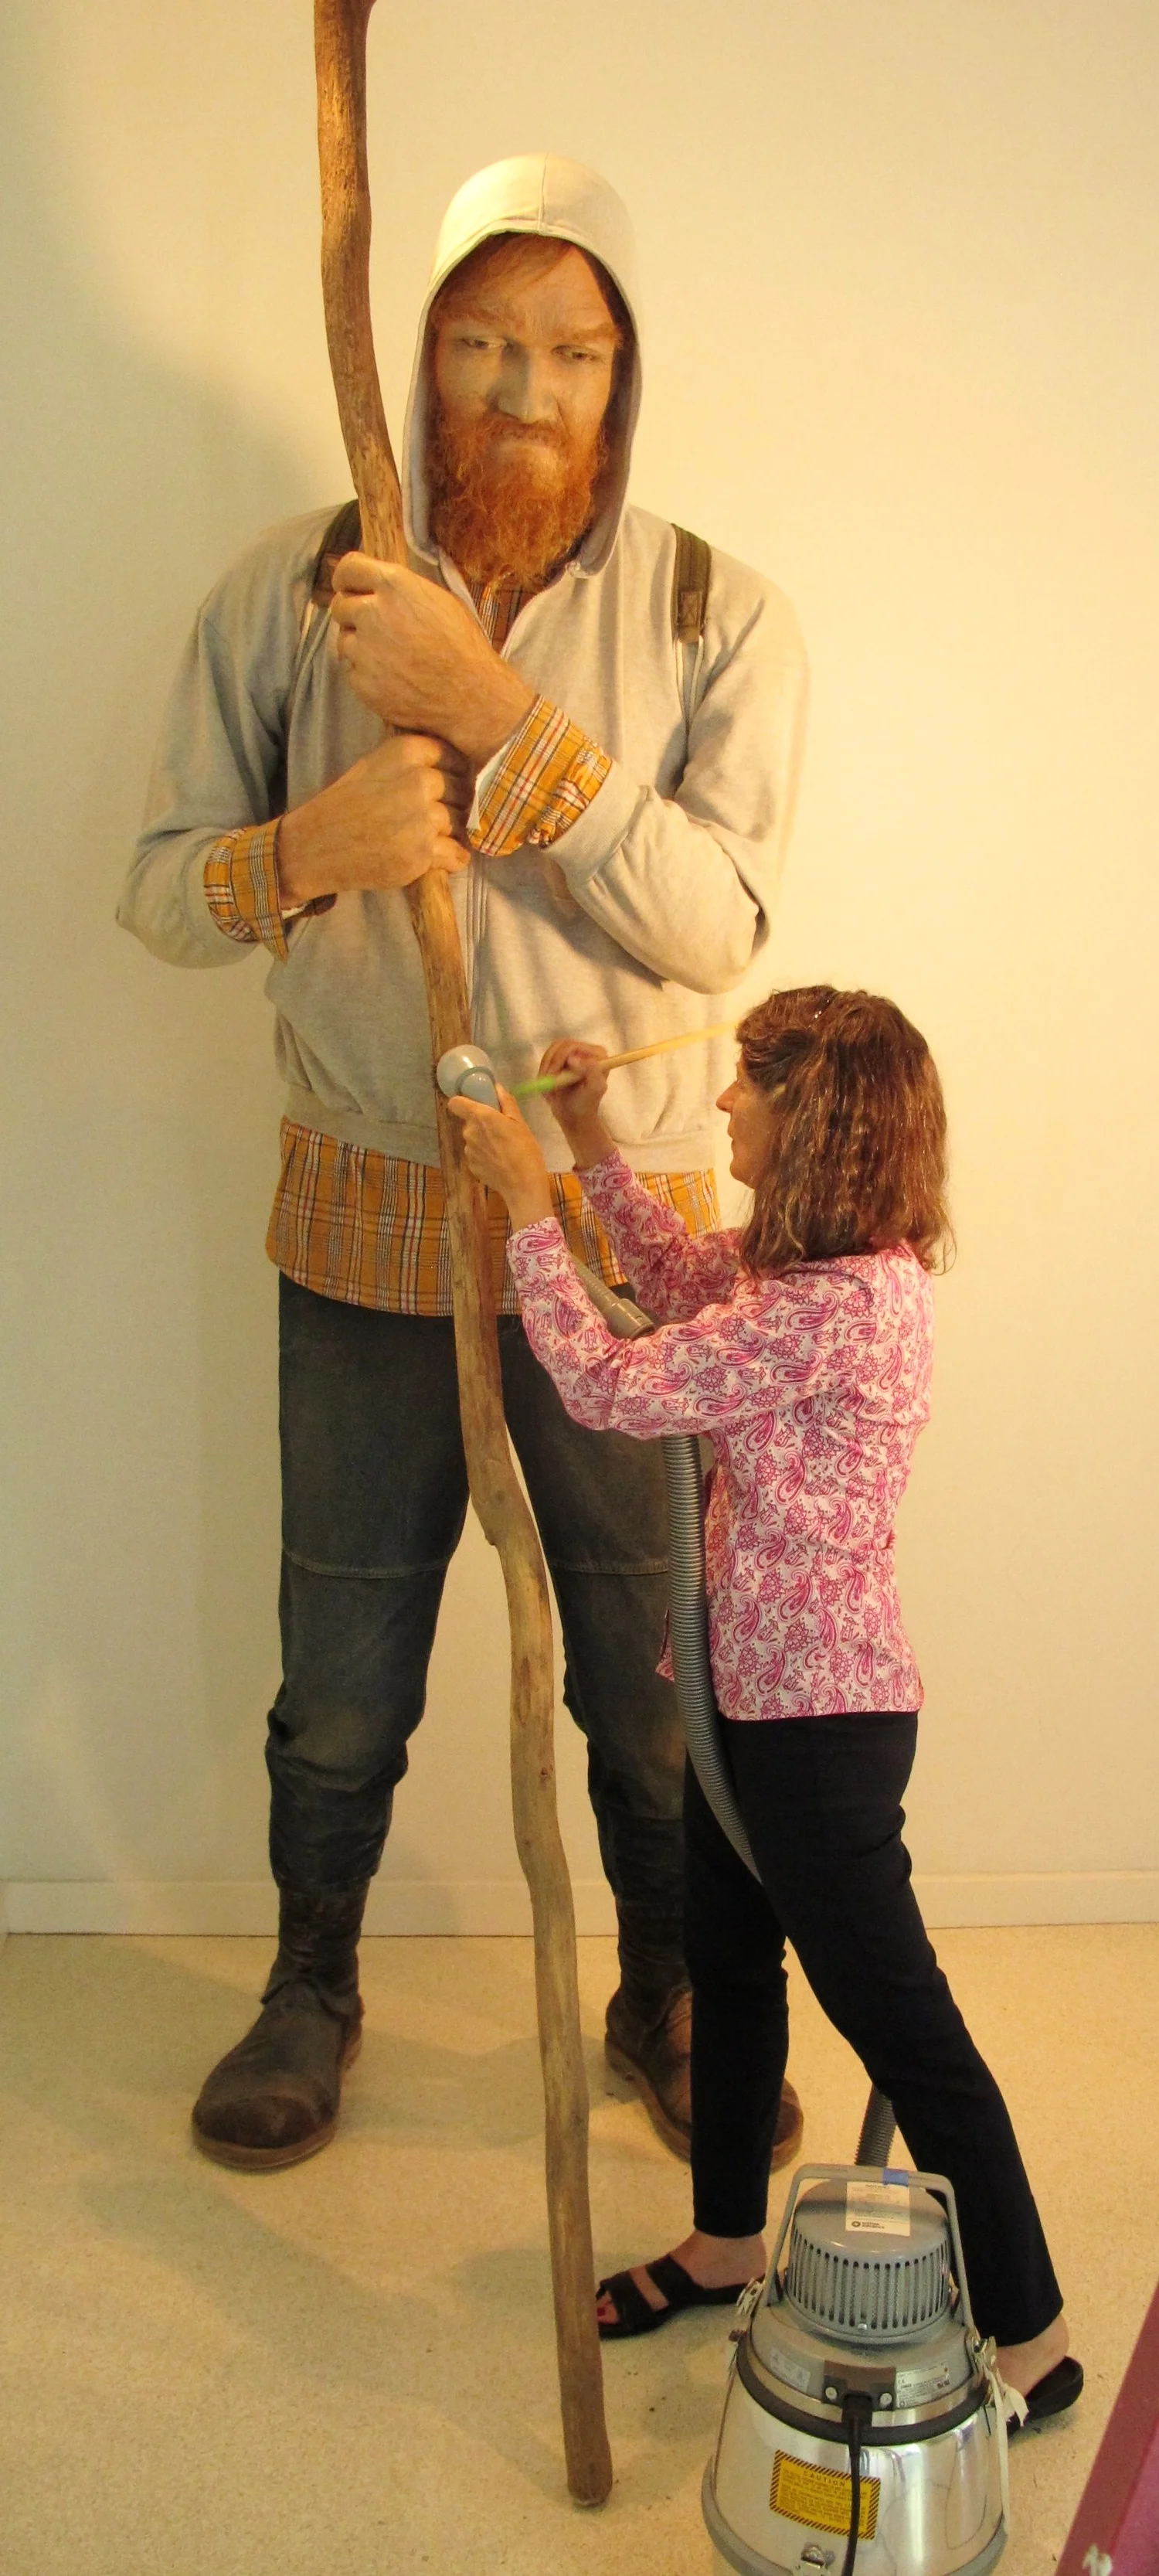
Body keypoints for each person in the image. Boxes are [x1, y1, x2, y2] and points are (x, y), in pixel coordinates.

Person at [118, 155, 810, 2171]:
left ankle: (668, 1988)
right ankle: (308, 1984)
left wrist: (499, 719)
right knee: (342, 1665)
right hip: (364, 1210)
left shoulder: (713, 613)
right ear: (417, 351)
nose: (523, 390)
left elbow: (715, 927)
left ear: (625, 376)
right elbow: (159, 889)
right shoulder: (287, 591)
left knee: (652, 1667)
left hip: (614, 1238)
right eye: (483, 342)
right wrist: (300, 852)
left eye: (570, 353)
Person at [448, 985, 1083, 2422]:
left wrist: (533, 1211)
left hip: (816, 1731)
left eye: (751, 1084)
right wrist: (590, 1143)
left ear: (821, 1119)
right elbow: (679, 1281)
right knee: (728, 1974)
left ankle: (1033, 2336)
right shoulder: (798, 1276)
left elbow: (616, 1389)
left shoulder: (842, 1307)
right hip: (740, 1700)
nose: (725, 1102)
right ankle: (727, 2242)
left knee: (906, 2030)